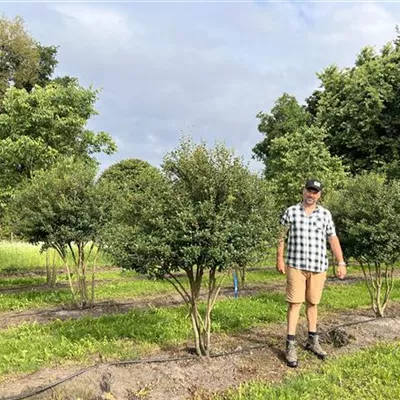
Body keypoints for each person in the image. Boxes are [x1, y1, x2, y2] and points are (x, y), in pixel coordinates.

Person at [276, 179, 346, 368]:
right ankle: (290, 344)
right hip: (296, 265)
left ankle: (312, 341)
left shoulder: (325, 214)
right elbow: (281, 236)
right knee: (294, 303)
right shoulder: (290, 212)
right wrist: (280, 258)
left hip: (318, 267)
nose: (311, 195)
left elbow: (332, 238)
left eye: (315, 192)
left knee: (313, 303)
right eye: (309, 191)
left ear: (319, 195)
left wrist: (341, 262)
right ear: (304, 191)